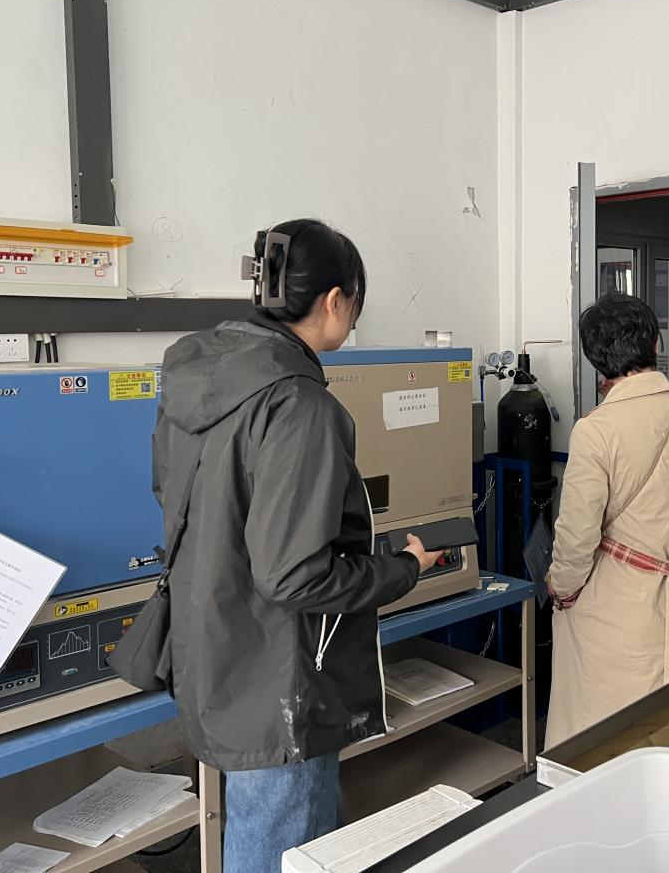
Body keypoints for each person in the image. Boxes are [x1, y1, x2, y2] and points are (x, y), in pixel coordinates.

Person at [153, 219, 444, 871]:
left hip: (214, 644)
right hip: (279, 674)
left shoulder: (195, 375)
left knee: (274, 825)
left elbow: (171, 495)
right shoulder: (301, 405)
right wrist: (401, 567)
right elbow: (294, 576)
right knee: (287, 838)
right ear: (336, 301)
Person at [545, 293, 669, 747]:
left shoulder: (595, 429)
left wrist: (561, 588)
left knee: (612, 739)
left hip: (619, 611)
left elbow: (577, 536)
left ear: (595, 359)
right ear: (655, 345)